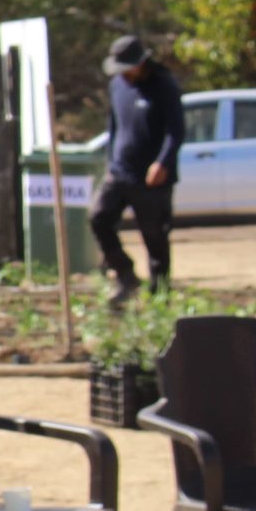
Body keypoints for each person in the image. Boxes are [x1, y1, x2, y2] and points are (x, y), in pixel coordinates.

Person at [93, 34, 183, 308]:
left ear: (141, 63)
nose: (125, 74)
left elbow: (176, 130)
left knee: (154, 237)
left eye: (128, 68)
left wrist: (163, 162)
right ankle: (125, 275)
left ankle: (160, 296)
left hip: (152, 179)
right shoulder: (117, 86)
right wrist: (111, 160)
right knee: (98, 218)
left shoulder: (164, 85)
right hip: (119, 172)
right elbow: (114, 126)